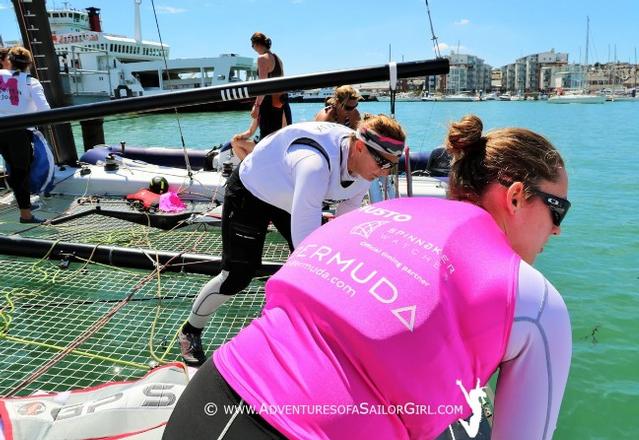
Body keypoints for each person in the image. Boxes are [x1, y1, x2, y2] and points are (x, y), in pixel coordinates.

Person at [165, 114, 572, 440]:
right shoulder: (536, 300)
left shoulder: (373, 215)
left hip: (206, 400)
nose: (557, 230)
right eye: (558, 210)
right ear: (516, 196)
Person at [178, 115, 405, 366]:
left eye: (392, 166)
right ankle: (191, 330)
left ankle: (309, 336)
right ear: (360, 147)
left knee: (328, 268)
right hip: (253, 191)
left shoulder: (365, 171)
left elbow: (342, 230)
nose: (385, 172)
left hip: (292, 194)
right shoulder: (314, 165)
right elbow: (305, 249)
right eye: (383, 162)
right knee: (238, 276)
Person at [0, 46, 51, 223]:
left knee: (13, 170)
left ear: (10, 61)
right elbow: (45, 110)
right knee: (20, 171)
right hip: (19, 132)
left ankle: (25, 204)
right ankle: (26, 215)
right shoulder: (31, 82)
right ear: (29, 63)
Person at [250, 32, 292, 140]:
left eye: (252, 45)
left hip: (269, 105)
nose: (253, 48)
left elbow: (263, 86)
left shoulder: (262, 59)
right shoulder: (278, 59)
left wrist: (257, 106)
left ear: (257, 44)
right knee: (283, 138)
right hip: (282, 103)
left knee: (267, 139)